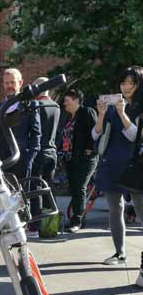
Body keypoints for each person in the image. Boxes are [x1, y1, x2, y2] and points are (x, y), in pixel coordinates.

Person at [93, 66, 143, 266]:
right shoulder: (112, 107)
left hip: (137, 165)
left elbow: (134, 136)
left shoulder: (139, 108)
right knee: (115, 207)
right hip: (112, 162)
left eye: (131, 82)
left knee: (140, 210)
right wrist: (101, 114)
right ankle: (119, 252)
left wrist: (123, 114)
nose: (126, 86)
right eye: (123, 82)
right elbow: (95, 135)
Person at [0, 68, 42, 180]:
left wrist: (30, 158)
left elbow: (36, 134)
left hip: (22, 159)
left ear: (20, 83)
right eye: (6, 83)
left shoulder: (30, 105)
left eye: (12, 82)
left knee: (22, 196)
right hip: (1, 161)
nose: (9, 86)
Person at [59, 89, 98, 233]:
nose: (64, 103)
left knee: (80, 187)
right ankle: (76, 217)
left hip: (86, 158)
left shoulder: (87, 112)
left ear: (76, 100)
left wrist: (90, 151)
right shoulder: (70, 117)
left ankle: (77, 220)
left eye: (67, 100)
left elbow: (96, 133)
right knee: (74, 188)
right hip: (71, 158)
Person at [29, 77, 61, 234]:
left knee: (36, 188)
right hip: (52, 150)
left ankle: (35, 225)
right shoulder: (56, 106)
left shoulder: (36, 106)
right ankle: (51, 225)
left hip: (39, 151)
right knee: (49, 187)